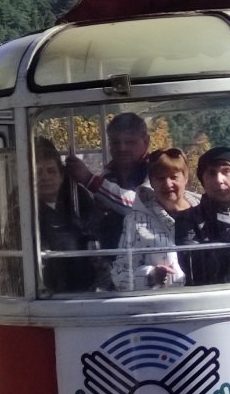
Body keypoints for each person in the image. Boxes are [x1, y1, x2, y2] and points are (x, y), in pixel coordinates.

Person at [110, 147, 201, 291]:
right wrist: (149, 276)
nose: (167, 184)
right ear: (151, 181)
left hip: (209, 298)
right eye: (160, 178)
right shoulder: (136, 221)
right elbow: (119, 274)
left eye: (173, 176)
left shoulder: (205, 211)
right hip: (162, 306)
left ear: (186, 177)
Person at [175, 146, 230, 286]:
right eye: (211, 173)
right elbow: (193, 268)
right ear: (202, 181)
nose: (219, 180)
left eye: (226, 171)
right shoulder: (188, 220)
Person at [65, 112, 150, 250]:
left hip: (147, 254)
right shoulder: (108, 174)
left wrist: (89, 180)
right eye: (116, 142)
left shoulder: (156, 169)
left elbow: (138, 205)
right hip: (113, 255)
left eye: (129, 142)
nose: (122, 148)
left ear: (146, 141)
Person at [33, 138, 95, 293]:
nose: (45, 178)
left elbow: (96, 235)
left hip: (85, 285)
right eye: (38, 172)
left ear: (62, 176)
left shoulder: (78, 198)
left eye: (51, 171)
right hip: (42, 288)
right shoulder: (22, 205)